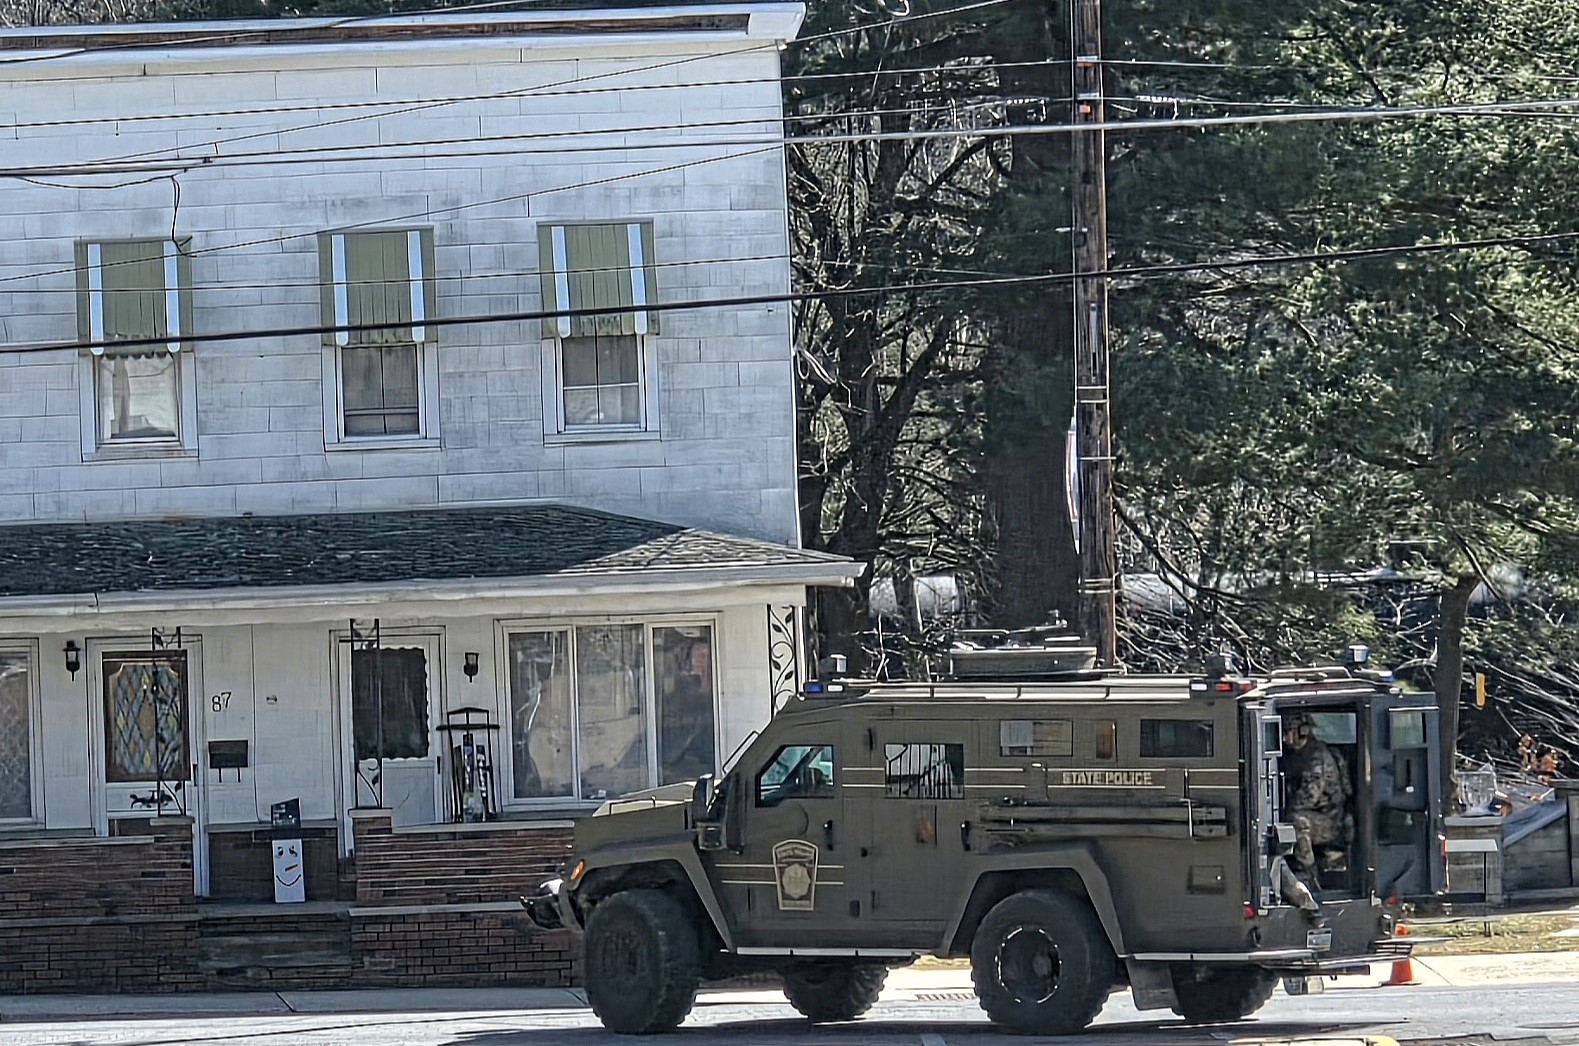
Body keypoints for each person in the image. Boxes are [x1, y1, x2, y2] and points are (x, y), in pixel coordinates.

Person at [1282, 711, 1354, 882]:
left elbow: (1309, 796)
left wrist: (1282, 813)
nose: (1285, 738)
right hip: (1316, 816)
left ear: (1303, 731)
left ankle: (1307, 873)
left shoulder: (1317, 757)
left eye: (1288, 732)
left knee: (1296, 820)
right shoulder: (1294, 755)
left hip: (1331, 821)